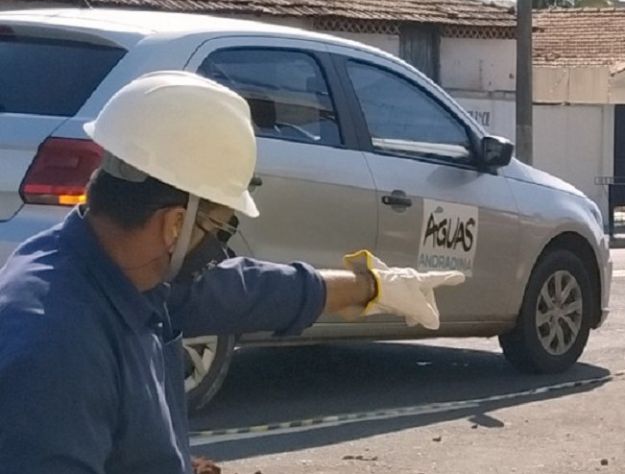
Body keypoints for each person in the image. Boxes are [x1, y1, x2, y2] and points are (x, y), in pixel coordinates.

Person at [0, 71, 466, 473]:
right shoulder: (55, 349)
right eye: (218, 226)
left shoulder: (119, 274)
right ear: (176, 225)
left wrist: (372, 286)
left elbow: (246, 291)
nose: (217, 249)